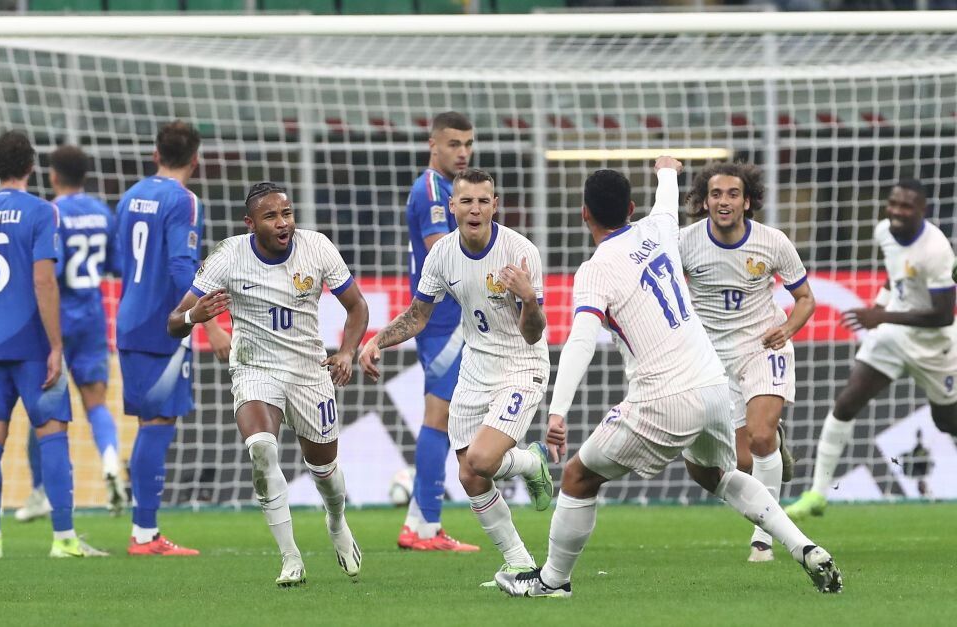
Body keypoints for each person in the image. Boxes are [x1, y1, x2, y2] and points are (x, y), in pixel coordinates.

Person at [495, 159, 842, 598]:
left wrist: (558, 410)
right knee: (713, 474)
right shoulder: (658, 228)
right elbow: (665, 199)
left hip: (663, 397)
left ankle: (552, 581)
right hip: (713, 384)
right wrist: (666, 169)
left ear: (584, 214)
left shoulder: (595, 271)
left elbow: (581, 342)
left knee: (579, 476)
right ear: (631, 208)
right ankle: (804, 546)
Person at [168, 182, 369, 586]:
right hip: (255, 369)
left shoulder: (317, 248)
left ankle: (336, 521)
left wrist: (346, 352)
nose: (283, 223)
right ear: (250, 223)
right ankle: (290, 557)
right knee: (261, 450)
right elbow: (175, 322)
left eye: (287, 214)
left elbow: (357, 307)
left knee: (324, 470)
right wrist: (197, 317)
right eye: (271, 216)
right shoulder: (228, 256)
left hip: (309, 372)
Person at [360, 168, 553, 585]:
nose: (475, 209)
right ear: (452, 207)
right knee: (469, 474)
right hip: (476, 366)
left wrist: (528, 298)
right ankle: (518, 561)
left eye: (484, 201)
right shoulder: (442, 254)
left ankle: (531, 461)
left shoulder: (519, 253)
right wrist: (378, 340)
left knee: (484, 459)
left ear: (495, 205)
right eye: (466, 201)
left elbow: (534, 332)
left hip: (522, 365)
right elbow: (418, 316)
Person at [786, 179, 957, 519]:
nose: (896, 211)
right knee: (847, 402)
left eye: (906, 206)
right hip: (892, 338)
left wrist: (879, 315)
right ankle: (817, 495)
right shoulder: (883, 231)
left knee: (946, 422)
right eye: (893, 203)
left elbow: (942, 315)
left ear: (922, 210)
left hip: (934, 347)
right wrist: (879, 309)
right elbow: (895, 277)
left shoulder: (936, 250)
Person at [0, 130, 93, 558]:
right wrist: (55, 345)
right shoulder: (41, 213)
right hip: (34, 347)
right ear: (32, 167)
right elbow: (42, 280)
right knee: (52, 436)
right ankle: (64, 539)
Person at [679, 162, 815, 561]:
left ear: (747, 201)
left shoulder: (772, 242)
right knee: (739, 462)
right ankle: (776, 444)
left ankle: (764, 538)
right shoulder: (684, 243)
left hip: (763, 347)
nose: (724, 201)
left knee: (759, 437)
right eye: (716, 194)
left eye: (732, 194)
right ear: (704, 202)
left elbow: (805, 299)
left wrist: (788, 329)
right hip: (710, 359)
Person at [116, 120, 231, 556]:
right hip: (162, 324)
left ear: (155, 154)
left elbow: (121, 258)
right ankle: (144, 534)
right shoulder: (184, 200)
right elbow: (183, 266)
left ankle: (144, 529)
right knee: (158, 424)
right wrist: (212, 325)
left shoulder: (130, 197)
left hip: (128, 319)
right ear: (195, 160)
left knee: (152, 424)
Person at [16, 145, 125, 523]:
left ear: (53, 176)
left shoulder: (49, 213)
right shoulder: (101, 212)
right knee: (96, 402)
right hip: (93, 317)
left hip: (54, 321)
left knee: (44, 408)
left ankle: (41, 490)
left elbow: (44, 273)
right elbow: (115, 263)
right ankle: (111, 461)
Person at [398, 111, 479, 552]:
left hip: (451, 319)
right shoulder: (431, 189)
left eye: (468, 143)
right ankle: (425, 527)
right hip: (443, 320)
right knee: (441, 417)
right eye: (453, 144)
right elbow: (439, 253)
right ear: (434, 144)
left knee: (446, 418)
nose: (463, 152)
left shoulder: (450, 189)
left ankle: (419, 521)